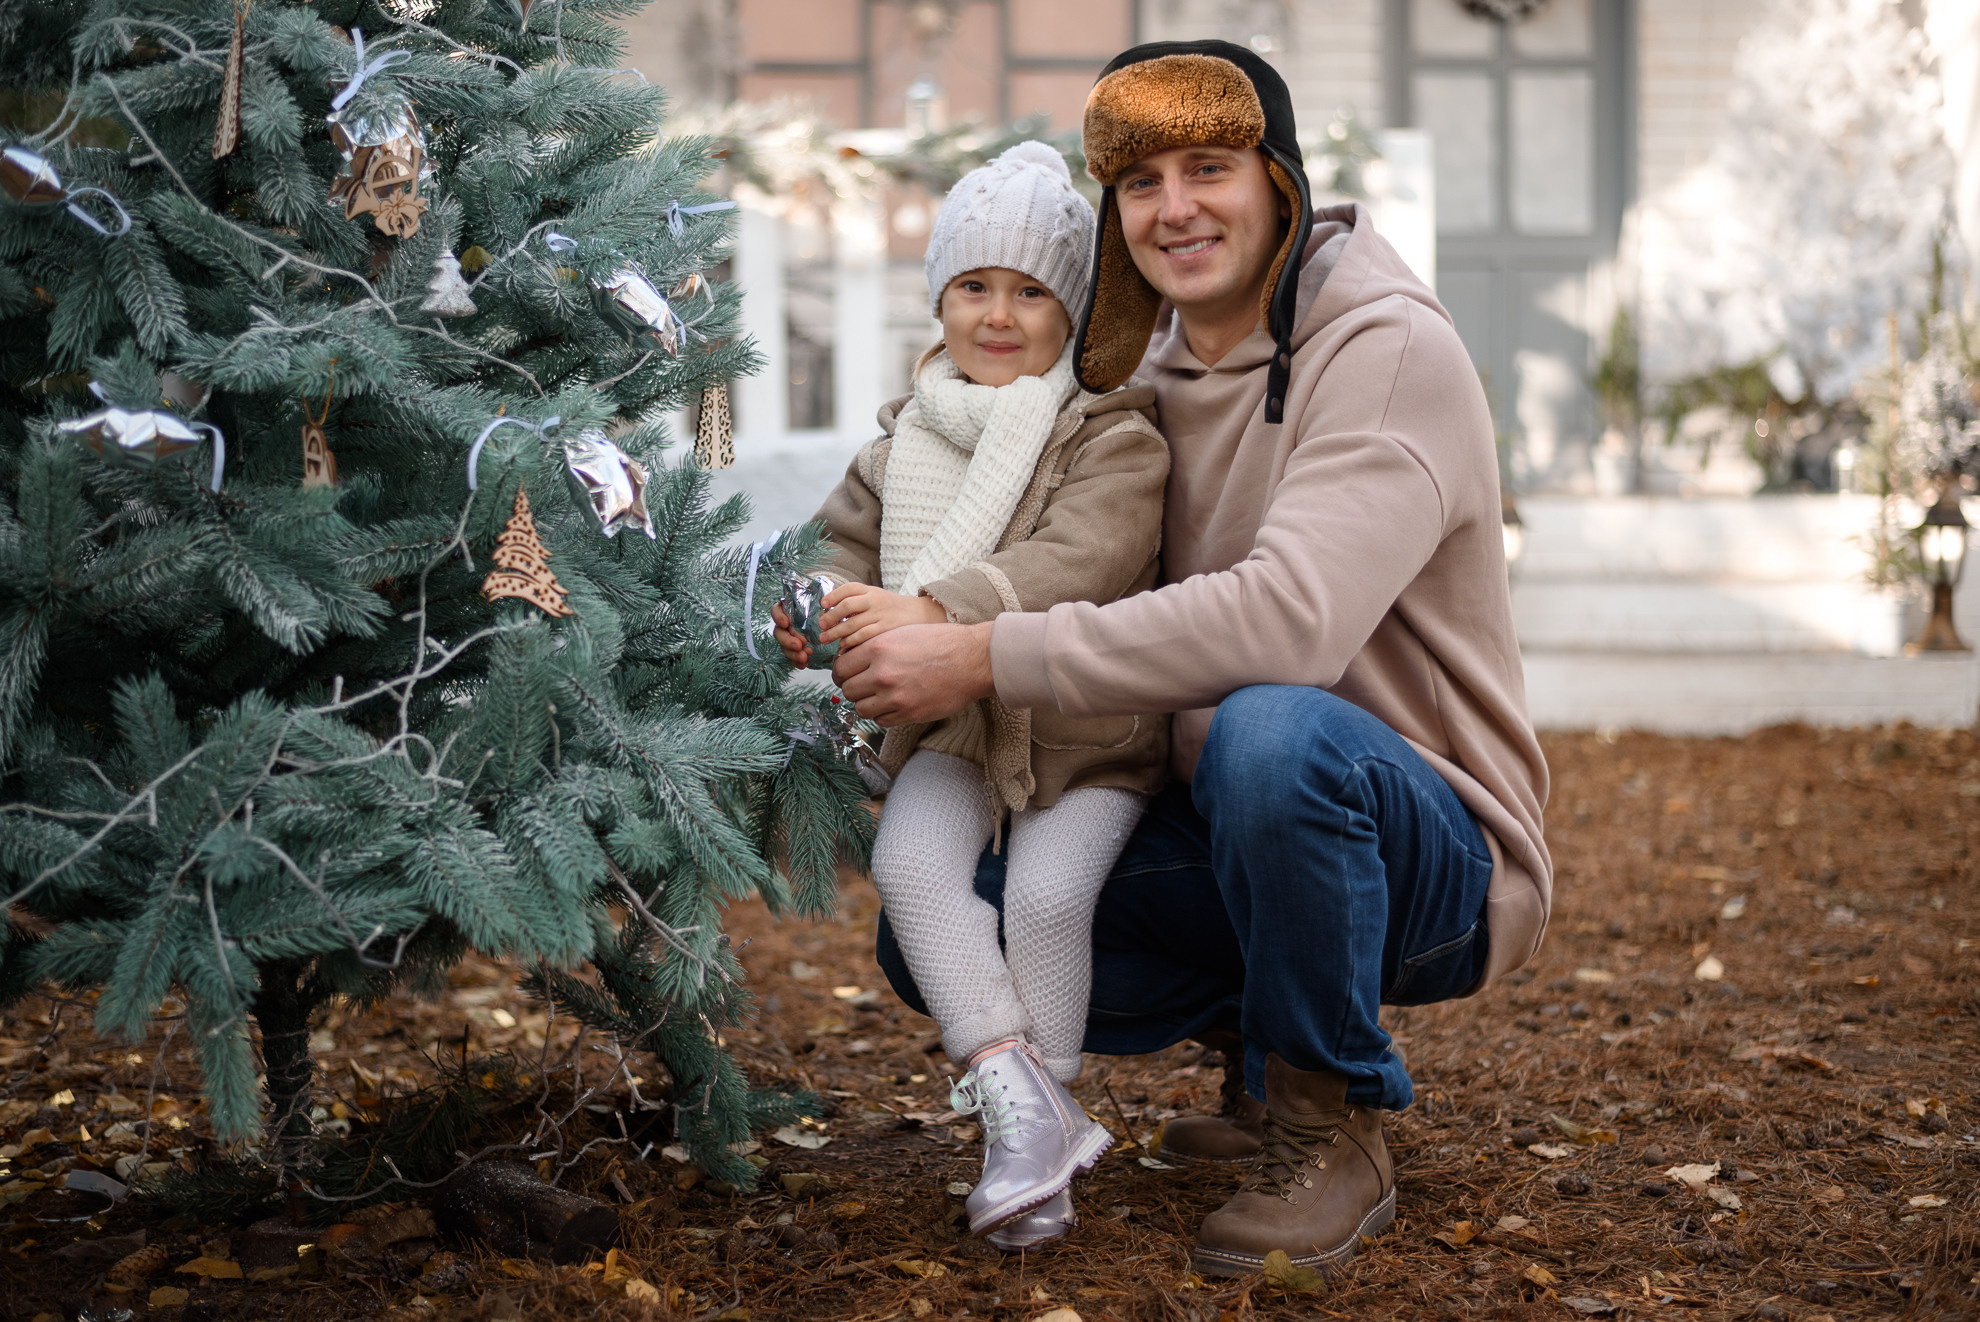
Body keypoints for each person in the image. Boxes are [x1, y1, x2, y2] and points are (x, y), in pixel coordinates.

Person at [835, 41, 1552, 1278]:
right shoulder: (1140, 373)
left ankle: (1332, 1110)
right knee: (947, 917)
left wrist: (983, 650)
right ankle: (1256, 1055)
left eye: (1208, 167)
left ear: (1279, 180)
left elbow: (1290, 622)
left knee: (1274, 726)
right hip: (1231, 821)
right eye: (1140, 181)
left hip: (1428, 848)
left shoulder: (1385, 350)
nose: (1174, 208)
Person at [773, 141, 1172, 1252]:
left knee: (1046, 896)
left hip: (1085, 736)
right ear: (940, 300)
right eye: (973, 286)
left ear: (1072, 312)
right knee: (908, 863)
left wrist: (933, 609)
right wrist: (816, 603)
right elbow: (839, 547)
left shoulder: (1110, 432)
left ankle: (1043, 1138)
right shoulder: (905, 436)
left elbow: (1080, 558)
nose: (998, 315)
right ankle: (1023, 1110)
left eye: (1031, 292)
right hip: (950, 730)